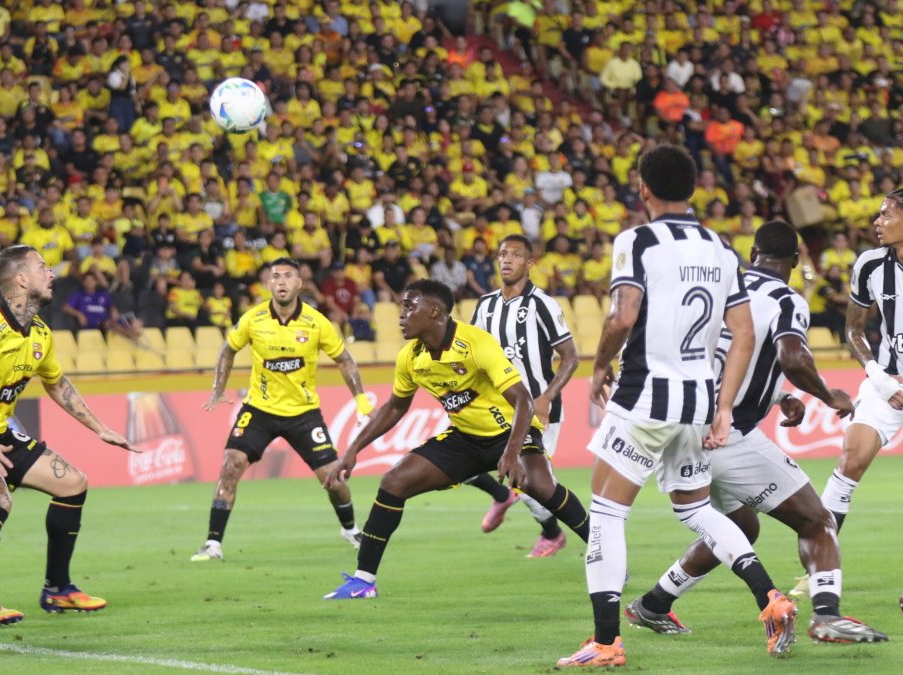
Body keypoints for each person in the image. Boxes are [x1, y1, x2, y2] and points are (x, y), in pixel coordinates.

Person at [558, 145, 795, 667]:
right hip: (697, 402)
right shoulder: (721, 248)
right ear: (692, 189)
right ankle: (770, 597)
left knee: (605, 515)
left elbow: (622, 316)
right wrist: (725, 407)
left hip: (644, 398)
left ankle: (604, 642)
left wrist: (599, 366)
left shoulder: (637, 240)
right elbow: (745, 334)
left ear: (643, 187)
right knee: (695, 509)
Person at [624, 221, 886, 644]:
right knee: (817, 520)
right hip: (728, 434)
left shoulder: (720, 287)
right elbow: (792, 356)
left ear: (752, 252)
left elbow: (717, 354)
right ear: (796, 262)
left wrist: (780, 395)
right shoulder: (785, 298)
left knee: (740, 527)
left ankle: (653, 604)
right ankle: (827, 614)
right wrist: (827, 393)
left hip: (676, 422)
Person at [322, 280, 591, 599]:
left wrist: (510, 451)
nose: (402, 315)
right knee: (394, 482)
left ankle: (606, 555)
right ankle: (363, 581)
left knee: (542, 488)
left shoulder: (475, 342)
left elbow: (523, 400)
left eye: (410, 307)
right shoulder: (411, 357)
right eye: (401, 307)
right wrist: (352, 450)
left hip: (512, 432)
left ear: (435, 311)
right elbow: (395, 407)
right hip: (465, 438)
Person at [0, 244, 134, 627]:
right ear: (21, 279)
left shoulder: (40, 334)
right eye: (42, 267)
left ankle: (58, 589)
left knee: (73, 483)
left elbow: (58, 384)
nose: (51, 273)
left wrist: (100, 428)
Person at [192, 257, 375, 562]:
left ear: (299, 283)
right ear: (268, 283)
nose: (281, 281)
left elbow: (344, 360)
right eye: (275, 276)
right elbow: (227, 350)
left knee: (333, 478)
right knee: (230, 465)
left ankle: (350, 528)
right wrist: (218, 389)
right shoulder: (253, 319)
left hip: (303, 413)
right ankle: (213, 544)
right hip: (259, 410)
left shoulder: (317, 322)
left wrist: (361, 399)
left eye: (288, 276)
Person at [467, 235, 581, 558]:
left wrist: (546, 396)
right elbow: (472, 355)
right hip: (496, 409)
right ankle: (503, 497)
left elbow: (570, 357)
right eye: (503, 254)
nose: (507, 260)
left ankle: (571, 537)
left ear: (530, 264)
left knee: (535, 488)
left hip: (538, 411)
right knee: (459, 461)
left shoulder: (542, 304)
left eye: (516, 255)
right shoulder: (485, 305)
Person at [827, 187, 903, 570]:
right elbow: (854, 330)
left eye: (886, 214)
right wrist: (880, 378)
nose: (878, 222)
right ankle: (819, 568)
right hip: (887, 382)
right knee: (851, 460)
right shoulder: (871, 265)